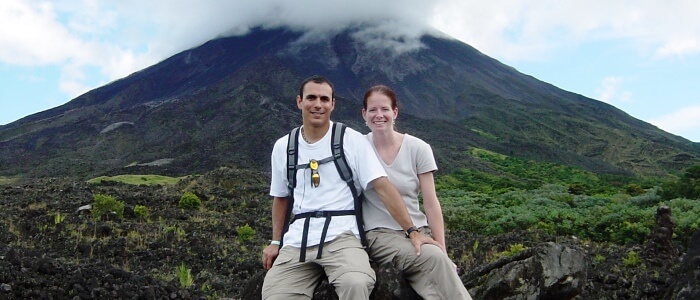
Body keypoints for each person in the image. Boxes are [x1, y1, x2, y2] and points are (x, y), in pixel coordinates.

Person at [261, 76, 438, 300]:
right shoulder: (283, 147)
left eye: (324, 99)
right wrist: (276, 241)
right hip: (298, 241)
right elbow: (281, 197)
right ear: (299, 102)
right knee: (275, 294)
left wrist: (412, 231)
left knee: (356, 282)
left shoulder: (351, 140)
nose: (318, 104)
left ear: (333, 104)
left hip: (342, 237)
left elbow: (382, 187)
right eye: (311, 98)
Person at [361, 85, 473, 299]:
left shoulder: (418, 148)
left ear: (395, 112)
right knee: (432, 259)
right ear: (364, 114)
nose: (379, 115)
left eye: (384, 109)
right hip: (380, 234)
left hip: (419, 229)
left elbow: (431, 202)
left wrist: (442, 247)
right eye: (372, 110)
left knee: (436, 260)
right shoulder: (358, 147)